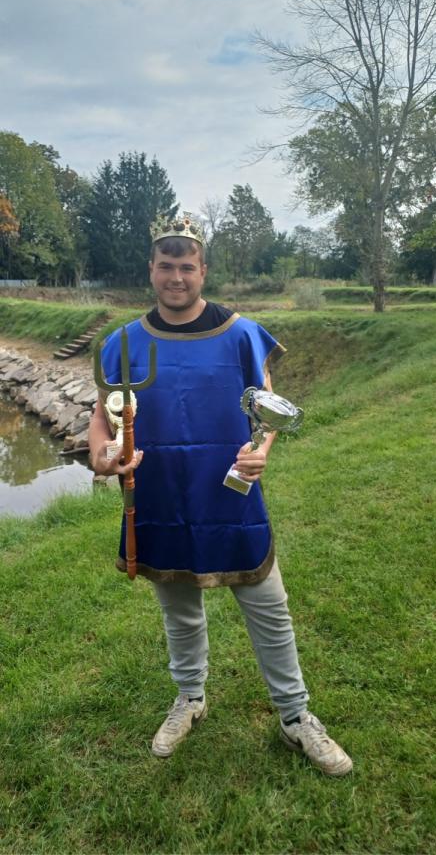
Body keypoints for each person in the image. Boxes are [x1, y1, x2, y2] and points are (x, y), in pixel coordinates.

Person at [88, 211, 352, 777]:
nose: (176, 278)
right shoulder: (124, 342)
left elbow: (267, 404)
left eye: (187, 267)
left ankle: (296, 716)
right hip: (161, 496)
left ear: (203, 270)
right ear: (151, 269)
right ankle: (190, 697)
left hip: (231, 496)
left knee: (270, 609)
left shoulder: (240, 333)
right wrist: (102, 455)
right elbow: (102, 417)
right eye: (166, 266)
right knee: (179, 611)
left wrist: (263, 449)